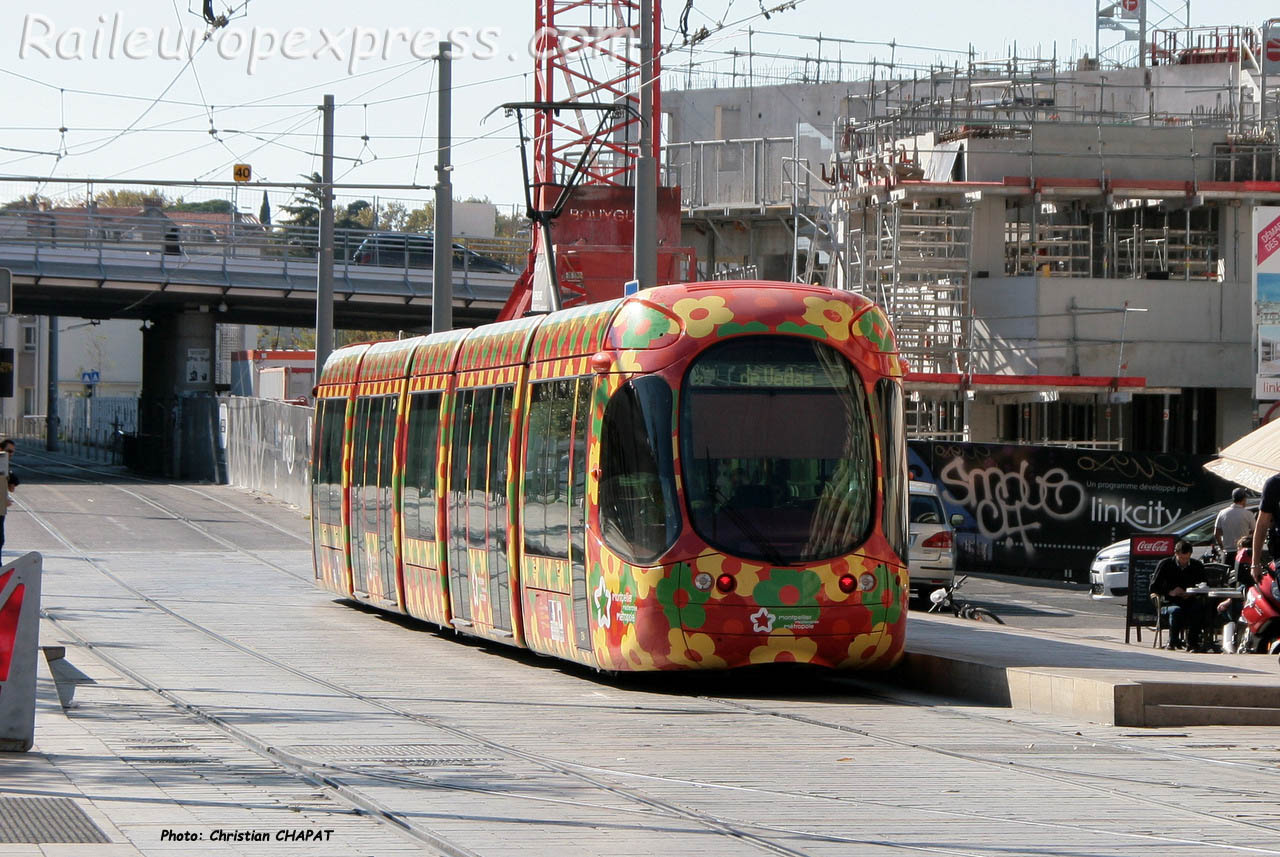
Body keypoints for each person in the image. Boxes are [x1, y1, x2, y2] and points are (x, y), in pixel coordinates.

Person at [1150, 539, 1210, 651]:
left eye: (1187, 559)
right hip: (1169, 602)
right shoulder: (1165, 564)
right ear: (1176, 553)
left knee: (1198, 609)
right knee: (1176, 611)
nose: (1184, 561)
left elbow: (1205, 584)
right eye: (1182, 558)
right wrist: (1170, 591)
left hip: (1189, 600)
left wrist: (1192, 592)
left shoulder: (1196, 566)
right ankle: (1172, 641)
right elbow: (1153, 587)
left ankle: (1193, 643)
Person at [1214, 487, 1255, 555]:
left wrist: (1222, 547)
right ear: (1244, 499)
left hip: (1227, 552)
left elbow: (1216, 533)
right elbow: (1255, 532)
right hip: (1243, 552)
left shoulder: (1222, 513)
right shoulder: (1248, 514)